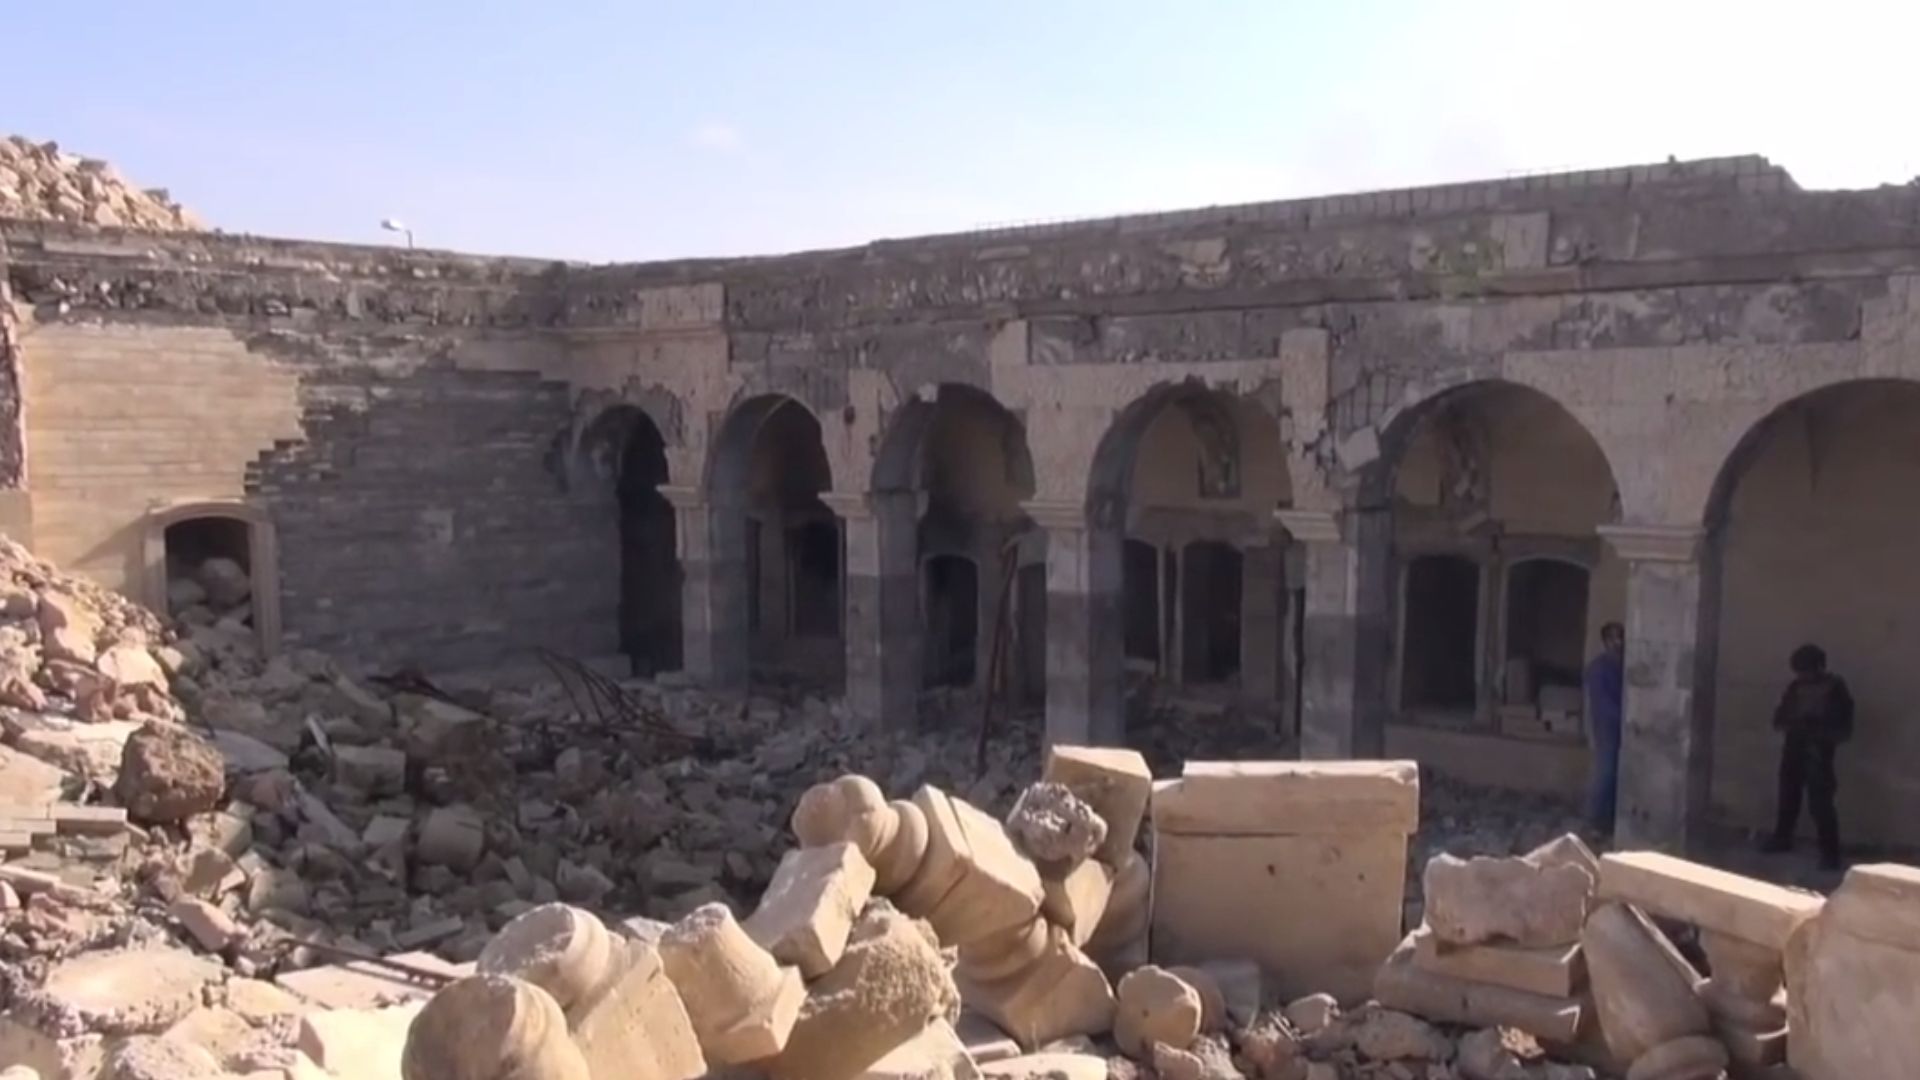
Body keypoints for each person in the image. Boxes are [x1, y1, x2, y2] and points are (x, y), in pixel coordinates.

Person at [1762, 643, 1853, 870]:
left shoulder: (1835, 689)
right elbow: (1780, 718)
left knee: (1821, 805)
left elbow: (1844, 726)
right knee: (1788, 797)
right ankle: (1782, 838)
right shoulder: (1796, 687)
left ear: (1819, 667)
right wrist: (1794, 724)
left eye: (1806, 670)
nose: (1803, 676)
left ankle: (1830, 853)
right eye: (1799, 671)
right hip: (1794, 747)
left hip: (1818, 752)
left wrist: (1819, 732)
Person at [1584, 622, 1626, 836]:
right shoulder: (1598, 668)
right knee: (1606, 772)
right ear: (1605, 642)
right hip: (1606, 727)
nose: (1618, 643)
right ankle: (1594, 821)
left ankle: (1608, 821)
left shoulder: (1625, 667)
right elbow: (1603, 704)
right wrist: (1624, 719)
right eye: (1613, 638)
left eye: (1620, 637)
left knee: (1618, 774)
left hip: (1622, 727)